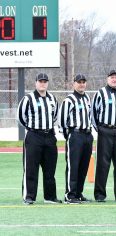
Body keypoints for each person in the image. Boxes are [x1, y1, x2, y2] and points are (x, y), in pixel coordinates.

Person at [17, 73, 61, 205]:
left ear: (47, 83)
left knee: (50, 169)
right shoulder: (28, 98)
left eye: (45, 81)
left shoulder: (53, 98)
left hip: (49, 136)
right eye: (40, 81)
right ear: (36, 83)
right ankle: (29, 196)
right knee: (31, 167)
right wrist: (33, 128)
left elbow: (55, 117)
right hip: (34, 136)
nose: (43, 84)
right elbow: (21, 117)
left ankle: (50, 197)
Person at [91, 69, 116, 202]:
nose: (114, 79)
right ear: (107, 79)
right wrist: (100, 129)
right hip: (105, 131)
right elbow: (93, 113)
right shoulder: (101, 93)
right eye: (112, 77)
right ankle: (100, 194)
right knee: (103, 164)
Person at [58, 74, 93, 204]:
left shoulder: (87, 98)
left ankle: (78, 193)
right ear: (74, 84)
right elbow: (62, 121)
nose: (82, 84)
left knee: (84, 166)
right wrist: (69, 135)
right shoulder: (69, 100)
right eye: (79, 82)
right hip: (75, 134)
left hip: (87, 135)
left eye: (83, 82)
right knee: (73, 166)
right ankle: (70, 194)